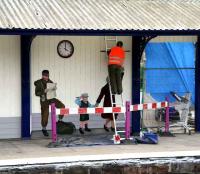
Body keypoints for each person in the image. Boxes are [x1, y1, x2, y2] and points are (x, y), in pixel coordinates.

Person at [34, 70, 65, 137]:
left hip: (51, 98)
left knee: (62, 106)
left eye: (47, 76)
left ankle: (60, 120)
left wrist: (54, 89)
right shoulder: (39, 83)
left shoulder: (50, 82)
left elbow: (52, 90)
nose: (46, 77)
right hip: (44, 99)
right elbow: (36, 93)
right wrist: (43, 91)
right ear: (42, 75)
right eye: (45, 76)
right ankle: (44, 129)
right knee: (45, 113)